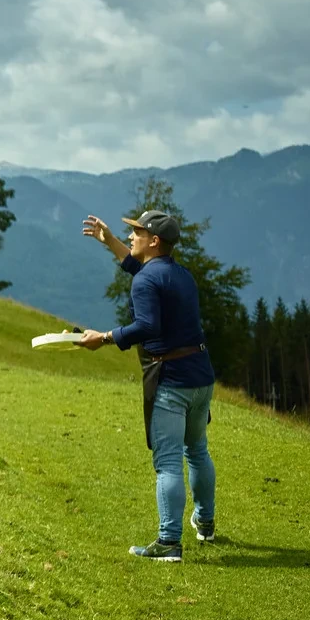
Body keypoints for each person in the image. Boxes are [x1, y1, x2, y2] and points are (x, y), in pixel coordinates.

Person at [78, 210, 216, 562]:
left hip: (170, 379)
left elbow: (148, 326)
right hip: (201, 377)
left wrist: (105, 338)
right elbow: (143, 273)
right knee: (197, 449)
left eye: (137, 232)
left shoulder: (146, 281)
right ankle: (205, 522)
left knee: (168, 462)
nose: (133, 236)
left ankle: (169, 542)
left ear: (154, 240)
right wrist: (110, 242)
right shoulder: (181, 275)